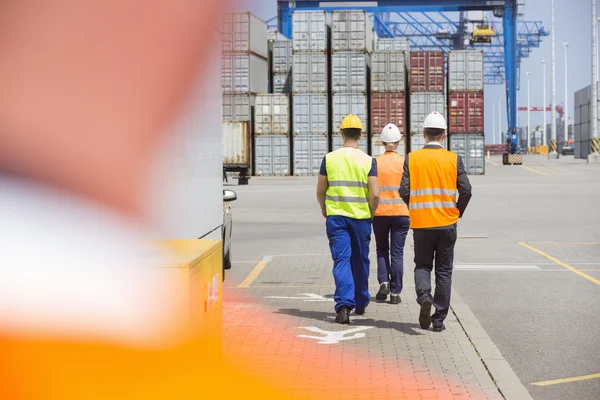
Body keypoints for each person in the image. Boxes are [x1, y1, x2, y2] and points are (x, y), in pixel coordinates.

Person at [399, 112, 472, 332]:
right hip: (447, 224)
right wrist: (457, 211)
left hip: (421, 224)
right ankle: (438, 319)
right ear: (444, 134)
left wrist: (415, 207)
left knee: (422, 265)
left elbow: (403, 190)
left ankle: (424, 297)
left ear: (423, 134)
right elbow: (466, 190)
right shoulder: (453, 158)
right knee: (444, 271)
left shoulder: (412, 158)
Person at [317, 114, 379, 324]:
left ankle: (344, 306)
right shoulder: (369, 160)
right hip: (361, 218)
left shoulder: (329, 158)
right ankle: (360, 301)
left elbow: (320, 190)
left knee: (341, 260)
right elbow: (375, 194)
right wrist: (371, 213)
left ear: (341, 133)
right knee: (360, 261)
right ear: (361, 135)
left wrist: (325, 209)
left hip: (336, 217)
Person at [372, 124, 410, 305]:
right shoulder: (405, 162)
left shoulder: (375, 162)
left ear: (382, 141)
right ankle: (395, 293)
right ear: (398, 141)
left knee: (381, 249)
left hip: (379, 212)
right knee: (397, 253)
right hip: (401, 213)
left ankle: (384, 282)